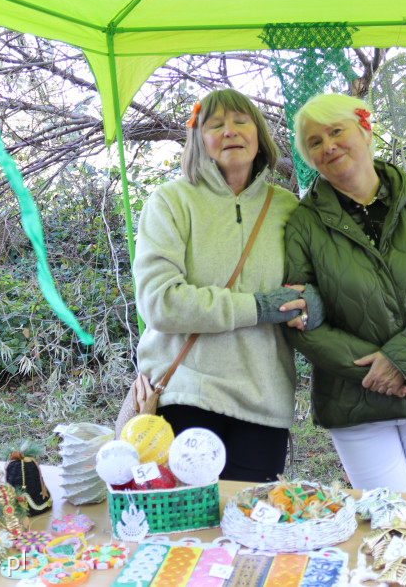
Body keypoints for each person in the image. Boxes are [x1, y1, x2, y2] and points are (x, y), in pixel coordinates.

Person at [124, 88, 321, 483]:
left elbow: (311, 284)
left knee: (251, 531)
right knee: (183, 526)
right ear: (200, 141)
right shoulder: (169, 202)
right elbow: (160, 303)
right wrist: (258, 307)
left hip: (263, 401)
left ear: (258, 134)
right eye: (215, 125)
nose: (230, 131)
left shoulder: (288, 208)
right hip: (187, 394)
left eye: (240, 121)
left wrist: (314, 304)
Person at [284, 93, 406, 494]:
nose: (328, 146)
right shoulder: (302, 224)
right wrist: (380, 373)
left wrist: (404, 360)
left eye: (336, 131)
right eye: (314, 143)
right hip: (356, 401)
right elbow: (299, 317)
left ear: (365, 130)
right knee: (396, 520)